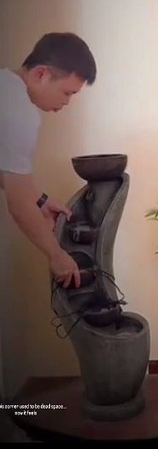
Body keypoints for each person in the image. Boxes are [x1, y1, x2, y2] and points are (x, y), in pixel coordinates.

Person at [0, 32, 97, 289]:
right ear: (41, 74)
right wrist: (56, 254)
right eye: (66, 92)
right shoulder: (18, 112)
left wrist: (40, 200)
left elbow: (7, 171)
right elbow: (19, 204)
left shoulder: (4, 85)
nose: (67, 102)